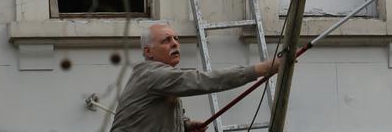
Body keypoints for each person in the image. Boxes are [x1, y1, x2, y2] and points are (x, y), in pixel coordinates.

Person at [110, 23, 280, 132]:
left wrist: (184, 125)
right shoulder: (154, 74)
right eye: (166, 40)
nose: (175, 43)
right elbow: (205, 80)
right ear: (148, 52)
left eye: (176, 39)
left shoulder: (159, 75)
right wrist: (261, 69)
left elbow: (153, 115)